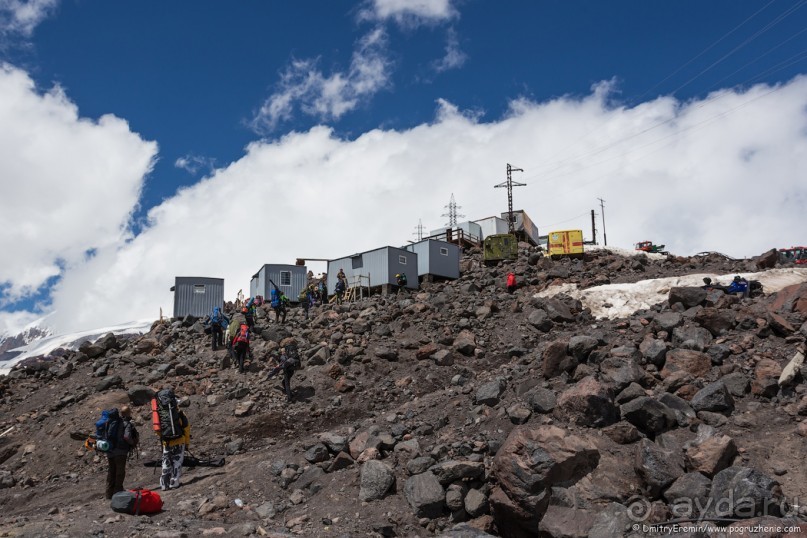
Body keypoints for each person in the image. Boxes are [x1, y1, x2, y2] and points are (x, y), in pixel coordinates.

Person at [157, 395, 190, 491]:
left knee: (166, 462)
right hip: (179, 441)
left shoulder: (161, 414)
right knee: (177, 462)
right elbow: (186, 428)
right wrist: (187, 443)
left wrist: (163, 437)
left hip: (166, 442)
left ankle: (164, 484)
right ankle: (174, 483)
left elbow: (157, 429)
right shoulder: (180, 413)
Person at [105, 406, 138, 500]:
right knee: (120, 472)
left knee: (111, 472)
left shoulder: (110, 422)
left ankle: (109, 493)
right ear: (128, 413)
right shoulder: (126, 423)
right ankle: (117, 493)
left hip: (110, 451)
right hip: (120, 452)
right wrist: (133, 442)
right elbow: (127, 436)